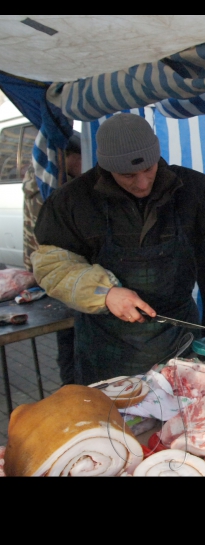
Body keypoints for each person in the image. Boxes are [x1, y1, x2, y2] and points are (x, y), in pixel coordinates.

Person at [32, 114, 205, 386]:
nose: (143, 183)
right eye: (128, 175)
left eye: (149, 168)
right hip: (109, 347)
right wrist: (105, 293)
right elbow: (51, 265)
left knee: (185, 417)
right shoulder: (73, 201)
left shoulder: (190, 187)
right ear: (106, 166)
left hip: (178, 336)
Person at [23, 131, 82, 386]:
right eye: (82, 159)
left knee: (69, 338)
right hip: (55, 270)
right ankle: (71, 391)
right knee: (70, 338)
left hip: (47, 268)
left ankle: (71, 386)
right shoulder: (50, 190)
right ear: (67, 157)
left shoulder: (39, 180)